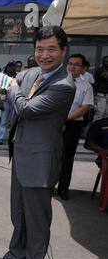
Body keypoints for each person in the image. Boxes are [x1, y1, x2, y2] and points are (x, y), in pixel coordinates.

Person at [0, 26, 76, 259]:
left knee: (37, 221)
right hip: (22, 155)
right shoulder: (33, 74)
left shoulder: (63, 85)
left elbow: (25, 107)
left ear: (63, 50)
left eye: (51, 49)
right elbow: (6, 81)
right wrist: (11, 84)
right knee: (19, 215)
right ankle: (15, 256)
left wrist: (13, 88)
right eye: (40, 49)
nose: (44, 55)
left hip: (41, 162)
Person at [56, 54, 94, 200]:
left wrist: (65, 119)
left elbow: (85, 108)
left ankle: (63, 188)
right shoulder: (59, 82)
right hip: (55, 123)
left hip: (73, 125)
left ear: (83, 68)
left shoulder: (86, 86)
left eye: (77, 64)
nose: (72, 66)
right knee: (53, 156)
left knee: (67, 158)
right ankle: (49, 186)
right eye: (70, 63)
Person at [0, 61, 17, 146]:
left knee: (14, 121)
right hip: (5, 101)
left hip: (15, 101)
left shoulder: (18, 76)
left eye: (12, 66)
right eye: (9, 66)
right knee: (3, 121)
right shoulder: (3, 77)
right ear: (6, 67)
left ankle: (13, 139)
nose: (11, 68)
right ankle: (0, 139)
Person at [93, 56, 108, 121]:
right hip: (101, 95)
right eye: (107, 61)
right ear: (103, 62)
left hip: (107, 95)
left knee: (106, 114)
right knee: (99, 114)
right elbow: (106, 76)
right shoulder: (100, 70)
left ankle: (103, 129)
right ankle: (95, 129)